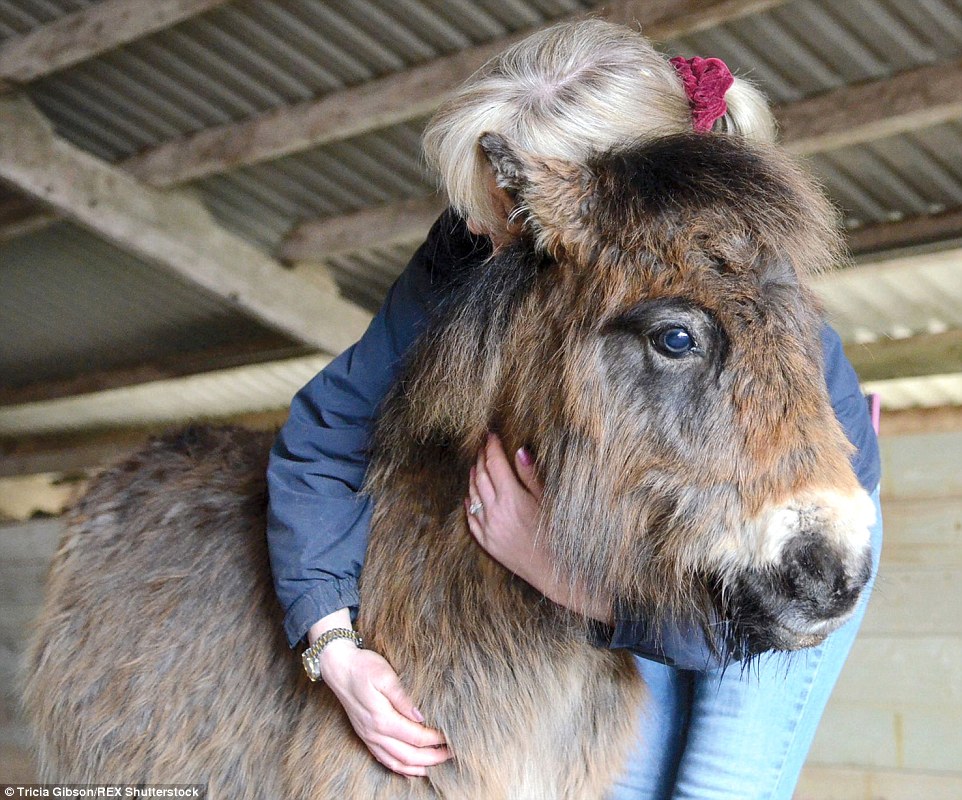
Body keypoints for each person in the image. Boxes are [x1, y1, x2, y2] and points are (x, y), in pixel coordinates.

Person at [266, 19, 882, 799]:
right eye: (500, 204)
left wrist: (576, 588)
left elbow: (755, 614)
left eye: (521, 207)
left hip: (782, 540)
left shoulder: (747, 279)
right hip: (630, 530)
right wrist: (335, 644)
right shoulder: (495, 238)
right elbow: (328, 432)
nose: (489, 236)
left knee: (723, 781)